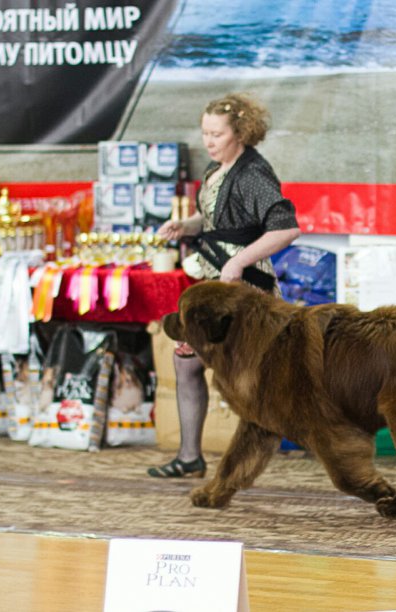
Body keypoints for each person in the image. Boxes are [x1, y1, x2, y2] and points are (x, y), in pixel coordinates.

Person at [147, 93, 300, 477]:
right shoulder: (218, 170)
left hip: (244, 289)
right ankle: (190, 457)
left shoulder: (253, 174)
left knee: (252, 377)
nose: (208, 141)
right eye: (205, 133)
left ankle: (267, 449)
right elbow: (217, 218)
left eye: (217, 134)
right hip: (216, 285)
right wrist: (187, 225)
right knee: (186, 362)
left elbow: (286, 228)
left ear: (241, 133)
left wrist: (238, 261)